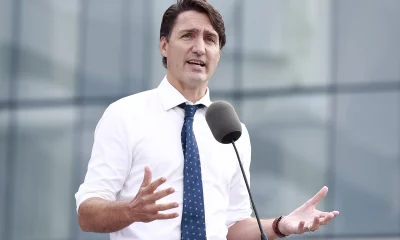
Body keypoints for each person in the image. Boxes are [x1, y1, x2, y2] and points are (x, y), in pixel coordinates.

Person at [75, 0, 339, 239]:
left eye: (210, 39)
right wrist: (132, 210)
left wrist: (280, 225)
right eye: (188, 35)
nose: (199, 48)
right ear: (164, 45)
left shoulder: (233, 132)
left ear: (218, 54)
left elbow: (232, 226)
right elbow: (87, 214)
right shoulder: (126, 115)